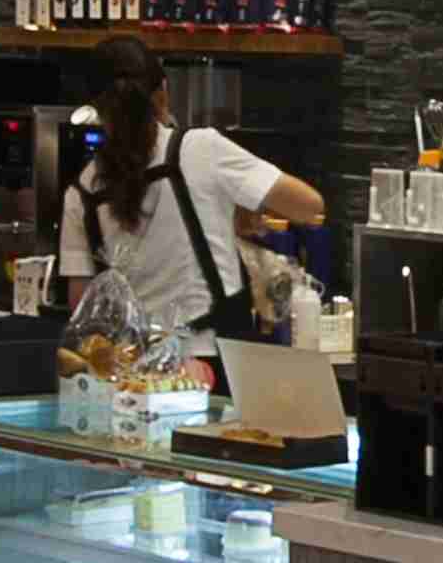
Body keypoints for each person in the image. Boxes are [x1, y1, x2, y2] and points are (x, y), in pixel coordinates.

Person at [53, 60, 326, 356]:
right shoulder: (202, 148)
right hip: (214, 358)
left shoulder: (81, 191)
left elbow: (81, 303)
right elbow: (309, 206)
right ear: (163, 93)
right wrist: (239, 210)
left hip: (131, 367)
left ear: (94, 107)